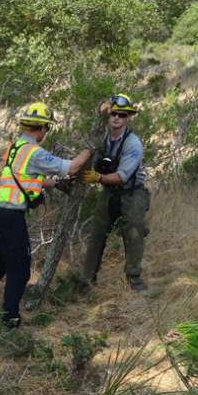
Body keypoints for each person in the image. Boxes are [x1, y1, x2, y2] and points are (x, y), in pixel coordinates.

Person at [0, 102, 91, 327]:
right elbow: (73, 167)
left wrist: (54, 183)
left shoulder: (15, 147)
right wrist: (90, 149)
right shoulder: (35, 153)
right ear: (43, 128)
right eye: (47, 128)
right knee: (20, 270)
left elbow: (23, 176)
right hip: (11, 218)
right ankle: (10, 318)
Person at [79, 94, 150, 292]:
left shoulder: (133, 143)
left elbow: (121, 177)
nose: (117, 118)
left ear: (128, 117)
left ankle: (134, 279)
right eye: (113, 113)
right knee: (97, 234)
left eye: (122, 114)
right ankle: (86, 281)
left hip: (132, 193)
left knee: (134, 232)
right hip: (109, 192)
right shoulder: (101, 138)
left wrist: (97, 178)